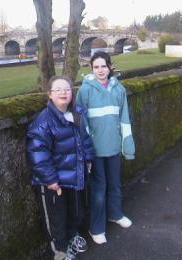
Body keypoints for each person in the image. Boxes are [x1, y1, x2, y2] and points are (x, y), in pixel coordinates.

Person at [26, 75, 95, 260]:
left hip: (74, 175)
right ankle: (60, 252)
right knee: (56, 219)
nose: (64, 93)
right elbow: (38, 153)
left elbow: (85, 140)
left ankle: (72, 237)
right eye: (58, 90)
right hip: (53, 182)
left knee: (76, 211)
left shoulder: (77, 114)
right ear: (49, 94)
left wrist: (88, 160)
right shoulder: (43, 121)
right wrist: (50, 180)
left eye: (67, 89)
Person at [76, 51, 135, 245]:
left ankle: (115, 214)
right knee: (98, 189)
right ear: (91, 69)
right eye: (96, 67)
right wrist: (85, 149)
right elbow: (80, 121)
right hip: (95, 150)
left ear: (110, 67)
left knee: (115, 184)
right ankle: (96, 227)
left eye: (104, 66)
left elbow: (124, 119)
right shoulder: (85, 90)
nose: (101, 70)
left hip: (113, 147)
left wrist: (127, 145)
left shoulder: (119, 89)